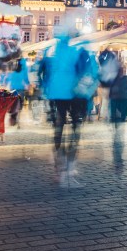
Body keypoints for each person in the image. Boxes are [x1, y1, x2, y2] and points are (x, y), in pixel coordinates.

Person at [36, 29, 97, 187]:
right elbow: (85, 70)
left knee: (59, 128)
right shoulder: (73, 52)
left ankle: (59, 169)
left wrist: (45, 88)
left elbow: (42, 73)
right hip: (72, 94)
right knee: (75, 130)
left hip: (58, 95)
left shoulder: (52, 54)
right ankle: (68, 170)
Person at [0, 56, 30, 127]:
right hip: (21, 87)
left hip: (12, 87)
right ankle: (17, 120)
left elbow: (7, 75)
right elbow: (25, 74)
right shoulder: (23, 62)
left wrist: (5, 83)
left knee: (13, 104)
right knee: (20, 105)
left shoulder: (10, 61)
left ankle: (13, 118)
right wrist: (28, 84)